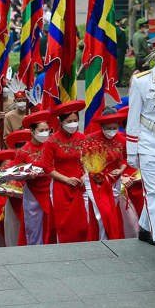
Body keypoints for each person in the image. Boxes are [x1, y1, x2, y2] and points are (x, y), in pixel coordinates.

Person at [125, 62, 155, 260]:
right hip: (148, 141)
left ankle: (144, 227)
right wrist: (131, 151)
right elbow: (133, 116)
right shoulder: (141, 80)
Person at [42, 101, 92, 243]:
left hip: (80, 185)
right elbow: (47, 167)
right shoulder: (51, 141)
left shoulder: (82, 138)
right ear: (61, 121)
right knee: (62, 223)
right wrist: (66, 179)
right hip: (60, 186)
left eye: (75, 121)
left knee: (82, 221)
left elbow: (89, 160)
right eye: (69, 121)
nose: (72, 124)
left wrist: (85, 175)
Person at [84, 107, 129, 240]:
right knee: (101, 213)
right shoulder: (90, 139)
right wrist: (96, 174)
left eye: (114, 127)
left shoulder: (122, 140)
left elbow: (126, 158)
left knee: (111, 212)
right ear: (102, 126)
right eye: (108, 128)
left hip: (114, 182)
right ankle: (101, 241)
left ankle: (109, 239)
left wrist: (121, 170)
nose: (111, 131)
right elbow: (84, 161)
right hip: (96, 182)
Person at [14, 109, 54, 245]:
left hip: (51, 188)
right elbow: (15, 173)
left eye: (47, 130)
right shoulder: (23, 151)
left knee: (51, 221)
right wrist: (26, 175)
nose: (45, 133)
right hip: (32, 192)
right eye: (41, 130)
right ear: (32, 131)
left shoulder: (51, 146)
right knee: (33, 224)